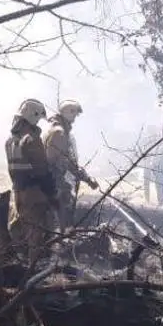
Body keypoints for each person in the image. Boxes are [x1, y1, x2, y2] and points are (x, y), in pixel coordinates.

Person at [5, 98, 58, 265]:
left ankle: (22, 264)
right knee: (38, 234)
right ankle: (34, 271)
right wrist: (51, 193)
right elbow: (42, 170)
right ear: (33, 117)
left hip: (18, 192)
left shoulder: (10, 141)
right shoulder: (31, 140)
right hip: (35, 194)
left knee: (20, 230)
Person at [43, 99, 99, 232]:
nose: (75, 118)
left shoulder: (54, 130)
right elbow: (64, 162)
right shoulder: (59, 133)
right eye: (74, 114)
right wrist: (86, 178)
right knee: (63, 220)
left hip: (51, 182)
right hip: (57, 183)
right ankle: (62, 244)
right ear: (68, 113)